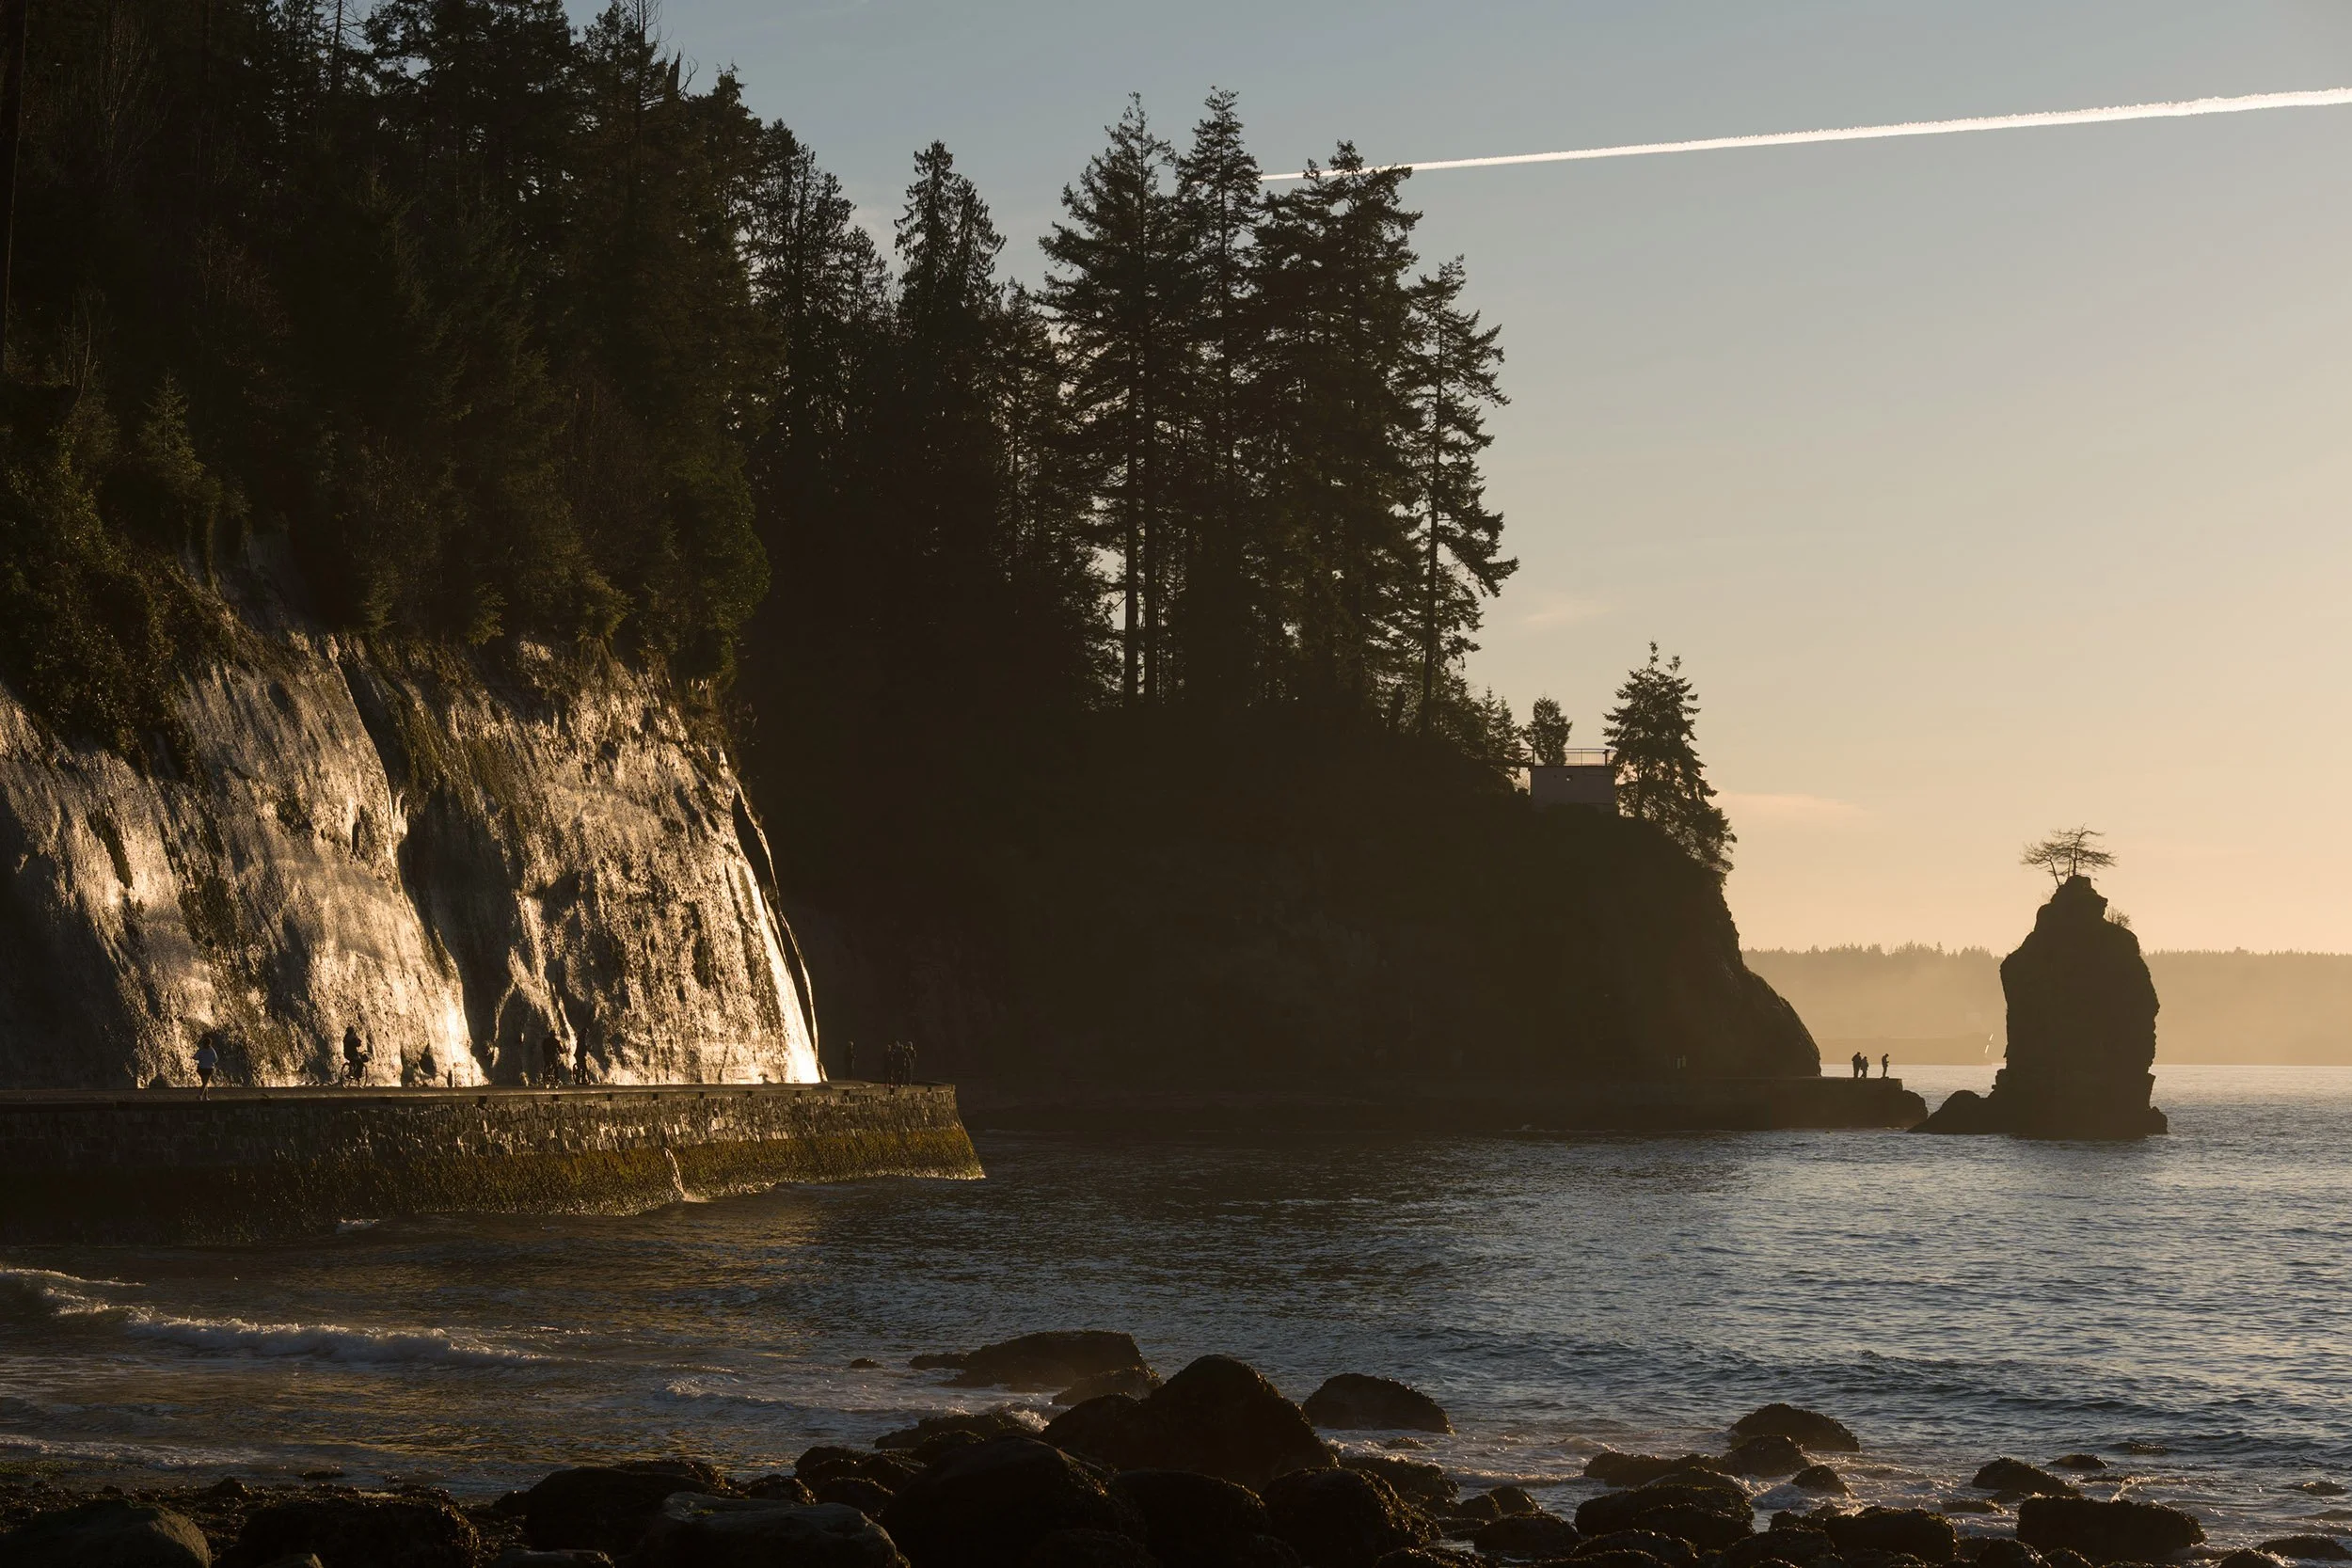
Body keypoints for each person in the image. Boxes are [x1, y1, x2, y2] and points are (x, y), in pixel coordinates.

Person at [194, 1033, 219, 1097]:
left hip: (201, 1068)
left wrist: (199, 1058)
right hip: (209, 1068)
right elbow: (215, 1060)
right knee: (205, 1083)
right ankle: (200, 1095)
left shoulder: (201, 1050)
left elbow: (195, 1057)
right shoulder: (212, 1050)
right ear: (210, 1043)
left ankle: (206, 1097)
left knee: (204, 1083)